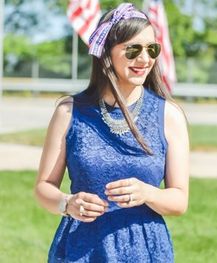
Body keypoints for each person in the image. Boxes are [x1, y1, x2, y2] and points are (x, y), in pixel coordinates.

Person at [34, 3, 189, 262]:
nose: (145, 59)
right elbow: (43, 188)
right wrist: (67, 203)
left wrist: (147, 193)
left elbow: (179, 201)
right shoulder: (68, 112)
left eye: (152, 49)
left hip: (146, 250)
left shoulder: (170, 115)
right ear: (106, 52)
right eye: (133, 50)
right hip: (80, 249)